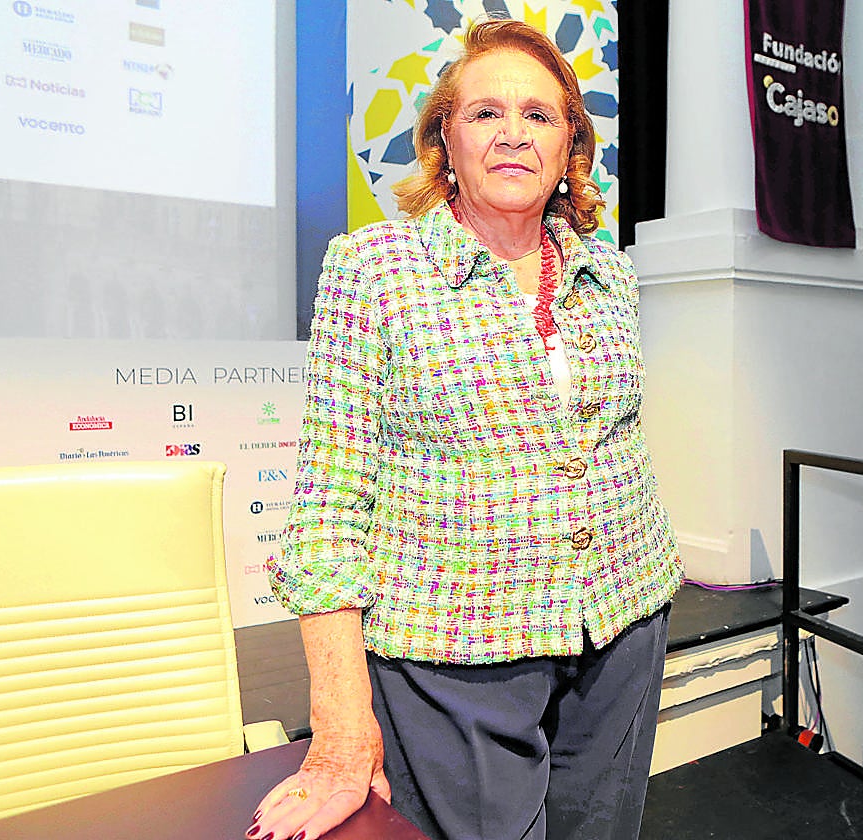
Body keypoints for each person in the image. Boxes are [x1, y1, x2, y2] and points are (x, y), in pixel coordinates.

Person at [249, 18, 681, 840]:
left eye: (539, 115)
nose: (513, 133)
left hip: (624, 622)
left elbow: (605, 445)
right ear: (445, 135)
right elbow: (329, 506)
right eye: (485, 113)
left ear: (569, 147)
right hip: (453, 653)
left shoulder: (609, 273)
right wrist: (343, 728)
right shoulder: (373, 268)